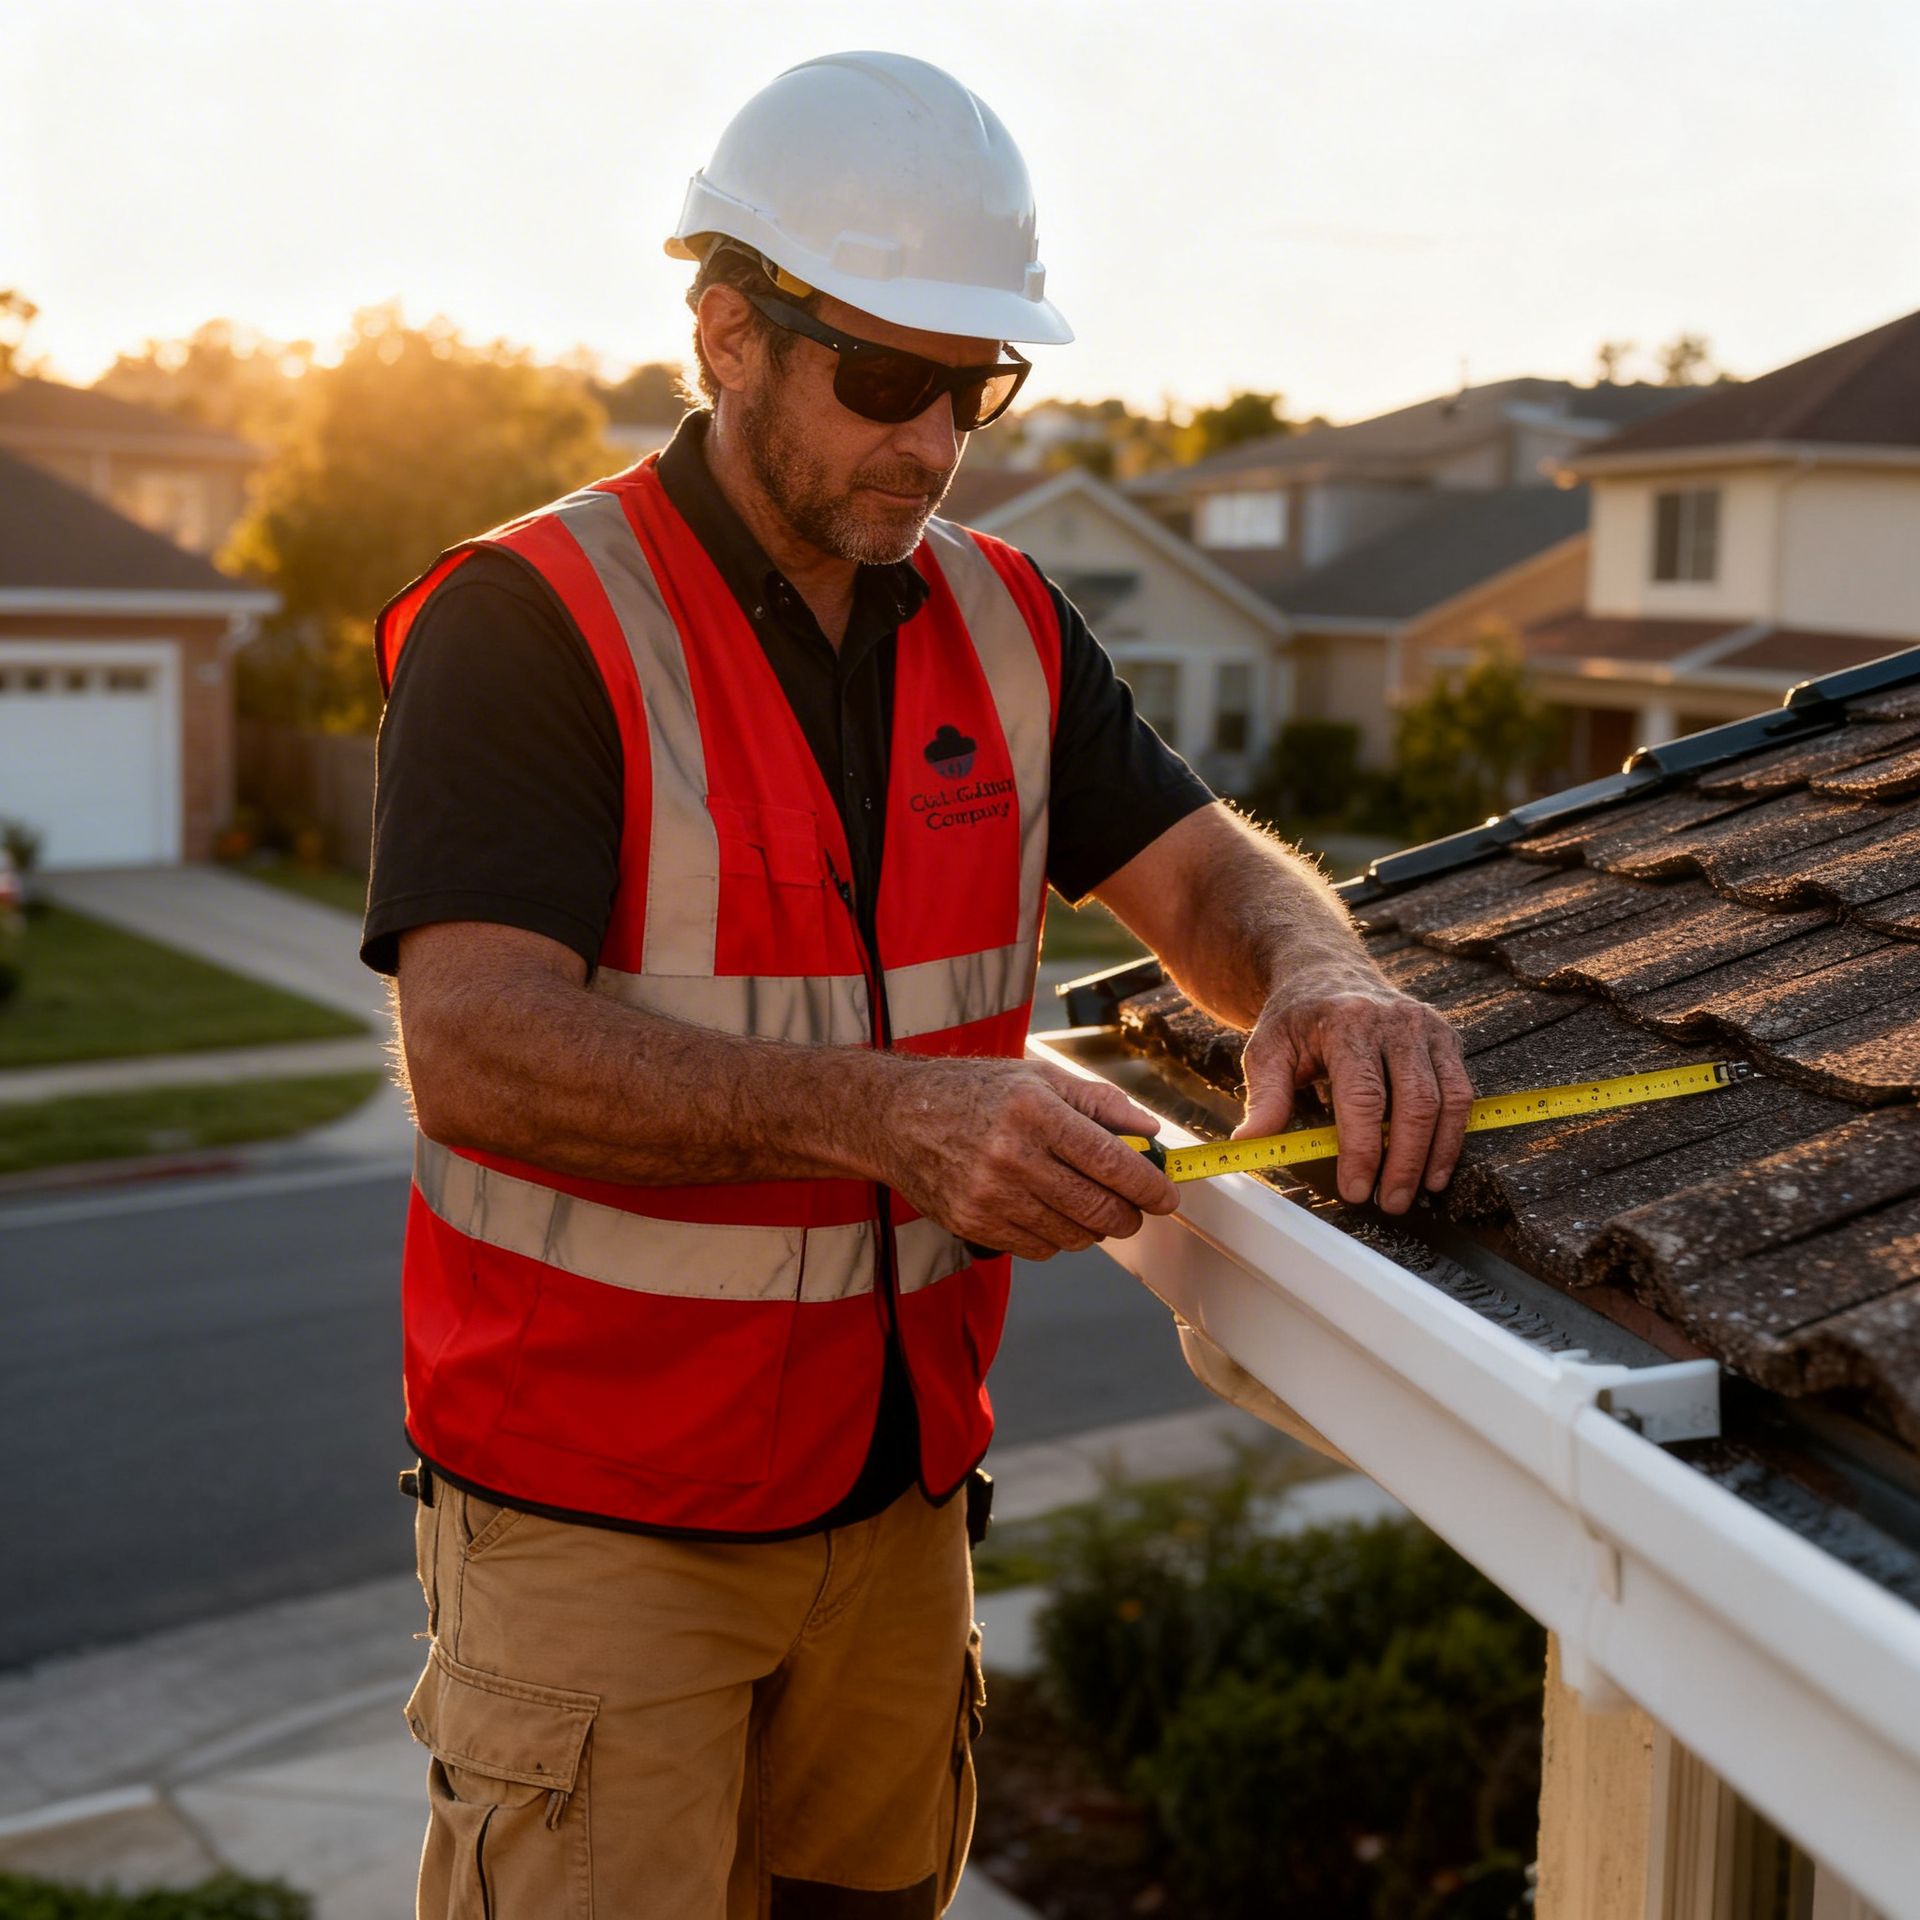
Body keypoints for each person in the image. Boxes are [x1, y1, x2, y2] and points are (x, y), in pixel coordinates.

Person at [365, 50, 1473, 1919]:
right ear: (725, 331)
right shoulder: (532, 621)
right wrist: (894, 1116)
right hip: (599, 1533)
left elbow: (1203, 869)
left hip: (899, 1517)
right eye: (885, 379)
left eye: (975, 387)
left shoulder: (1011, 620)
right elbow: (473, 1048)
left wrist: (1321, 973)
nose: (934, 438)